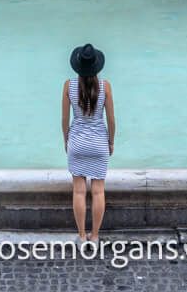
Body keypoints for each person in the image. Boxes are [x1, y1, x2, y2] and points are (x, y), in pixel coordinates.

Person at [61, 43, 114, 241]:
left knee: (79, 191)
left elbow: (65, 120)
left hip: (77, 142)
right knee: (98, 192)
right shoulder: (105, 86)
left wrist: (66, 140)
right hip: (99, 142)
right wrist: (111, 142)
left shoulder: (68, 86)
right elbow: (111, 120)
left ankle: (82, 236)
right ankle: (95, 236)